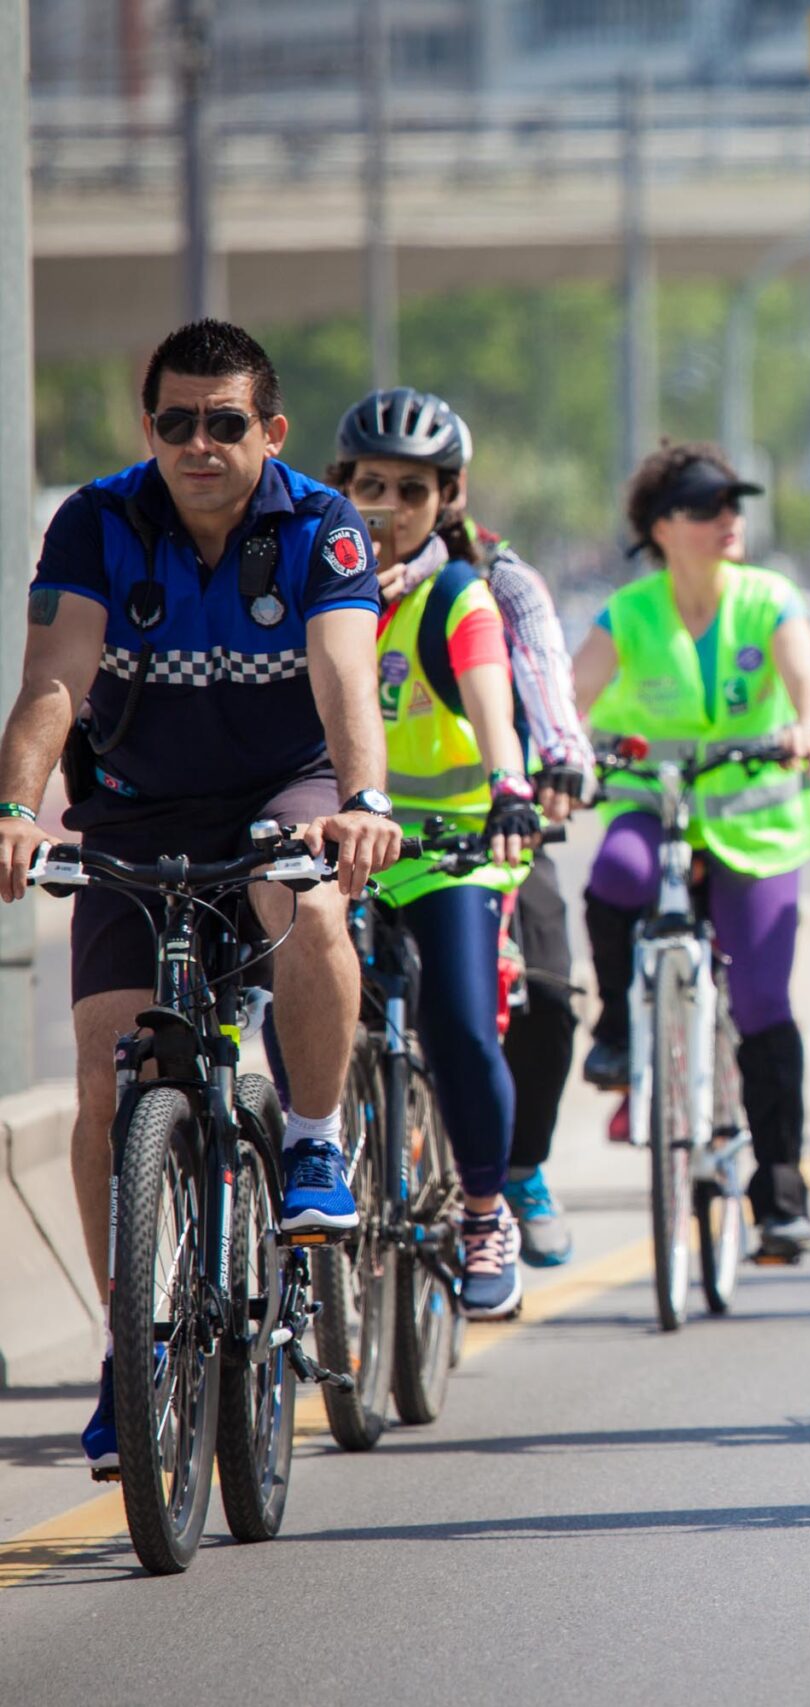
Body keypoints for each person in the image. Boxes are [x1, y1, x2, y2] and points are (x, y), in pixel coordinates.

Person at [0, 319, 404, 1476]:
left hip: (290, 789)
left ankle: (317, 1144)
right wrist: (19, 812)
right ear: (151, 430)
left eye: (224, 423)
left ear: (268, 432)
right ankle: (133, 1351)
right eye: (174, 421)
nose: (198, 442)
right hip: (137, 808)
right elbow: (53, 683)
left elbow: (342, 673)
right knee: (101, 1076)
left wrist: (362, 797)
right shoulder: (98, 520)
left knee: (308, 895)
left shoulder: (321, 524)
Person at [332, 387, 594, 1269]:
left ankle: (512, 1175)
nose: (391, 508)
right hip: (348, 845)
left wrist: (550, 767)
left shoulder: (489, 581)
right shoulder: (311, 577)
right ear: (341, 486)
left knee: (546, 999)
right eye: (373, 485)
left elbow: (536, 682)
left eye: (414, 491)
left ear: (452, 494)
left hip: (487, 829)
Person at [574, 444, 810, 1263]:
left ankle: (782, 1190)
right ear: (661, 528)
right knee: (614, 872)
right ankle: (618, 1027)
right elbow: (568, 701)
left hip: (756, 828)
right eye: (707, 506)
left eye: (735, 503)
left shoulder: (770, 600)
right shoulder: (628, 613)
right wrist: (563, 748)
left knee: (761, 1002)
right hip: (656, 808)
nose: (731, 518)